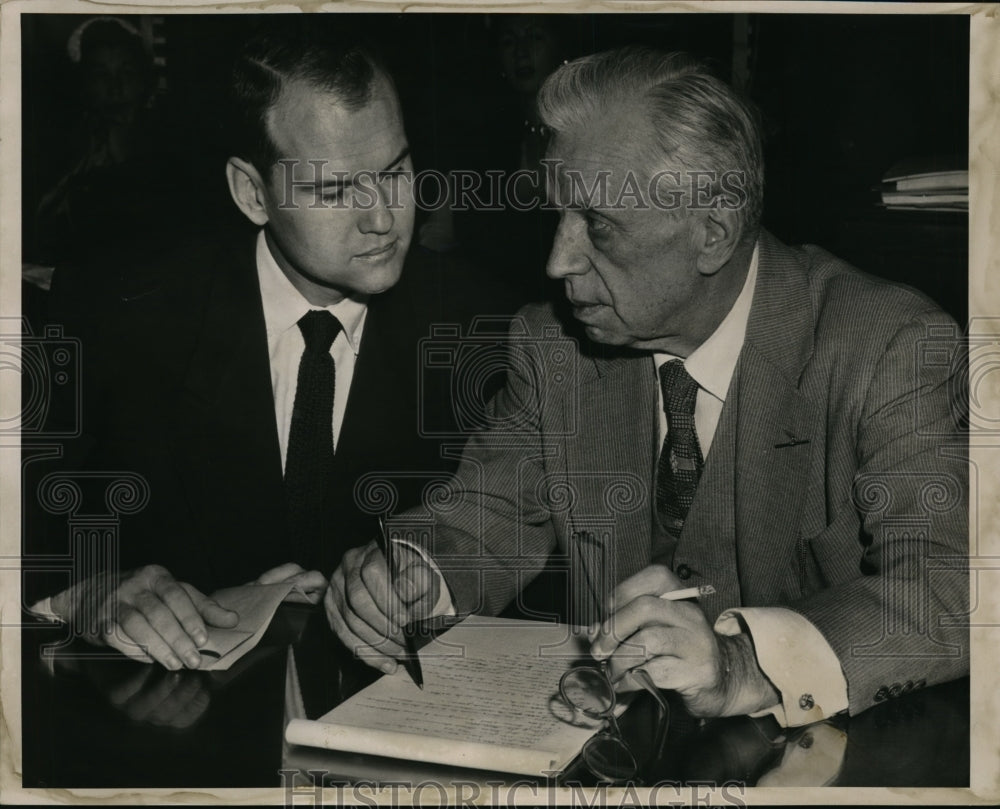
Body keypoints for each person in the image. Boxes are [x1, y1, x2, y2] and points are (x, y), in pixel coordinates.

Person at [327, 47, 969, 726]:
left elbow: (950, 588)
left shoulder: (889, 345)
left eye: (598, 226)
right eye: (556, 217)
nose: (557, 260)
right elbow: (489, 513)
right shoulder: (554, 346)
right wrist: (415, 572)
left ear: (712, 232)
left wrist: (747, 665)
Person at [25, 22, 500, 672]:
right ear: (252, 192)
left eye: (396, 170)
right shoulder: (122, 312)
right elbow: (24, 518)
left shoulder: (485, 328)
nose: (384, 217)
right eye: (334, 191)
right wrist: (87, 589)